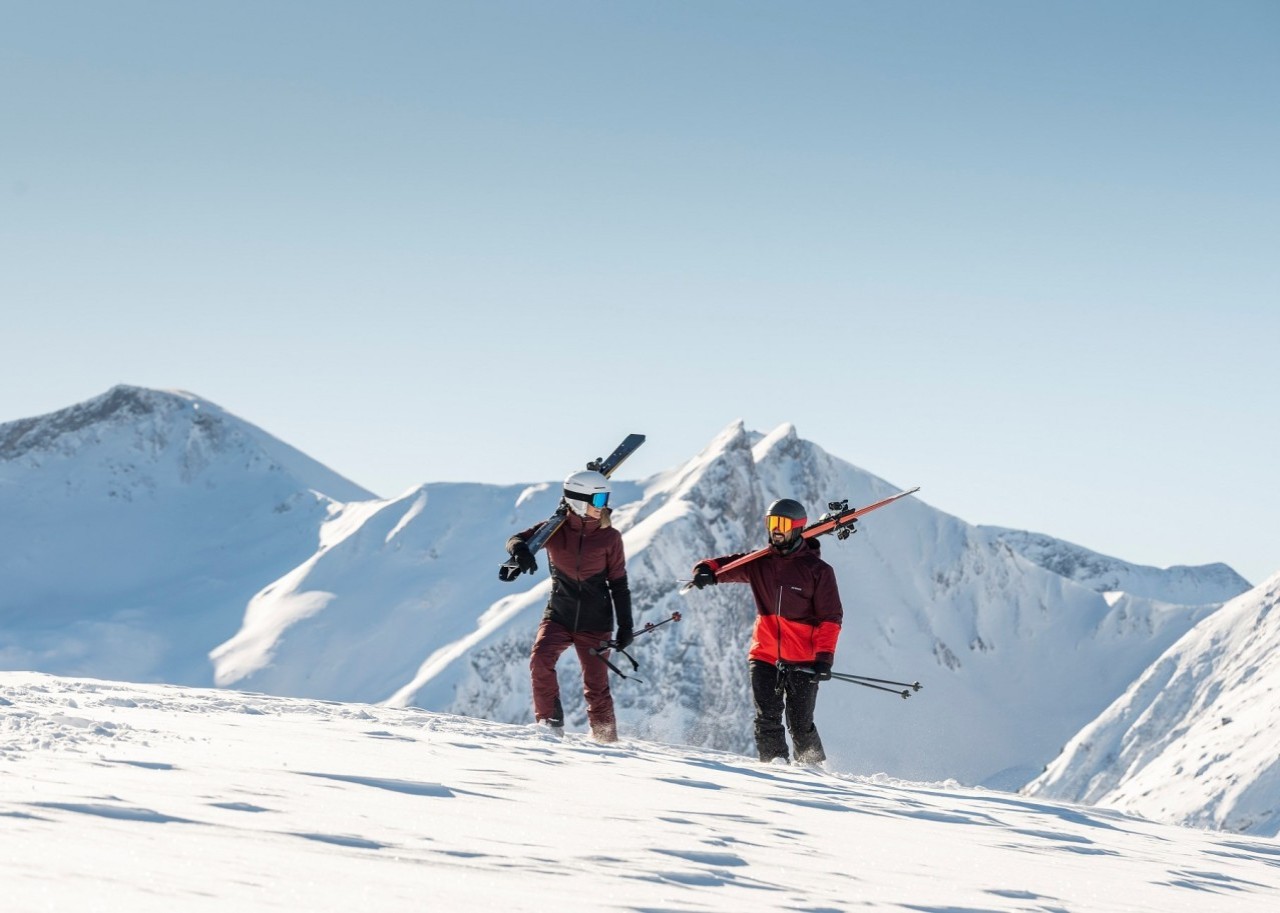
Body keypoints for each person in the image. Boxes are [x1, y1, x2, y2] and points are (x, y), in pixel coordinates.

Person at [689, 498, 844, 766]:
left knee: (800, 723)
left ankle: (814, 769)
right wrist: (706, 571)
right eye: (771, 523)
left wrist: (824, 657)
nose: (776, 529)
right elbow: (724, 566)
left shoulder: (818, 571)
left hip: (803, 659)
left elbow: (830, 618)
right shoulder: (759, 562)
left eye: (782, 523)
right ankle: (775, 769)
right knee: (767, 717)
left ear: (797, 528)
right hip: (764, 654)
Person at [507, 469, 633, 743]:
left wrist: (626, 626)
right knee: (540, 659)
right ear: (577, 500)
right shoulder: (554, 529)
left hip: (595, 621)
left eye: (605, 499)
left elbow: (619, 585)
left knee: (596, 685)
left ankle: (605, 738)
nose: (604, 507)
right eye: (598, 500)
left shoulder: (610, 538)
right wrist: (521, 552)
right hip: (559, 614)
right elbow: (516, 539)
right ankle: (549, 723)